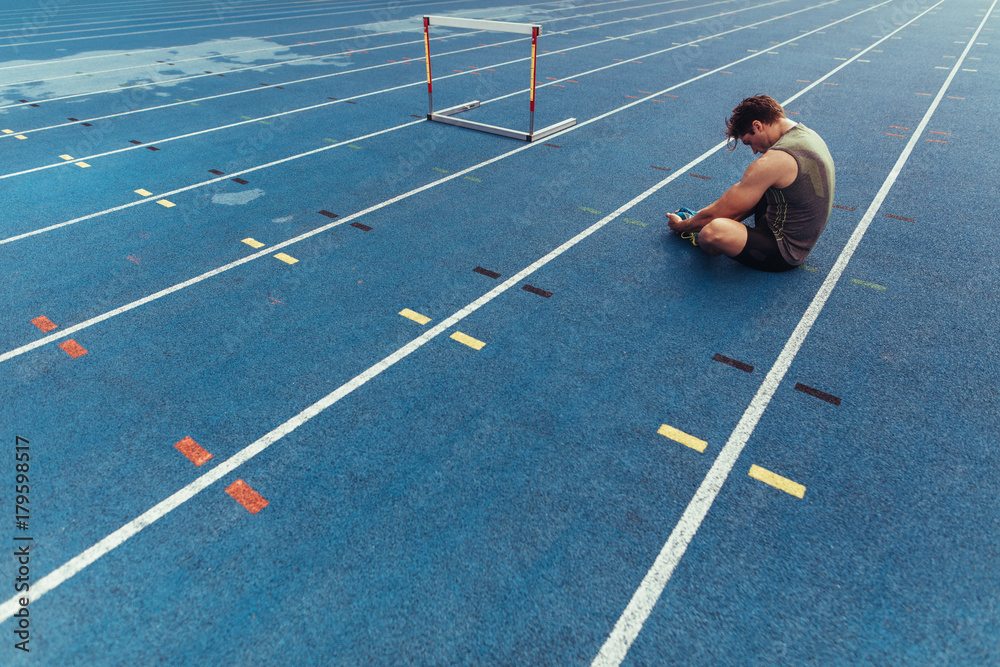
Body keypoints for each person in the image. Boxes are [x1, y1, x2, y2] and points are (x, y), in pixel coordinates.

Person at [666, 95, 835, 272]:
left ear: (757, 126)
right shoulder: (807, 134)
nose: (754, 151)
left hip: (784, 250)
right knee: (751, 190)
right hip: (798, 231)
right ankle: (700, 221)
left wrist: (681, 226)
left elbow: (722, 210)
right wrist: (702, 216)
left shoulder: (775, 160)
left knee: (711, 233)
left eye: (749, 143)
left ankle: (697, 230)